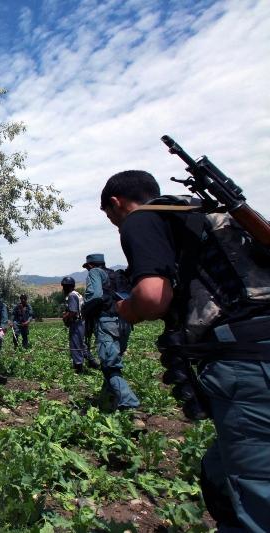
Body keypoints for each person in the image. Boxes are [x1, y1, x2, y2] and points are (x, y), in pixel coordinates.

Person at [101, 169, 270, 532]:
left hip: (246, 359)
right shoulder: (208, 212)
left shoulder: (141, 218)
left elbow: (152, 297)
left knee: (256, 501)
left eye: (111, 217)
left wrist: (128, 309)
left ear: (116, 203)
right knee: (218, 474)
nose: (116, 226)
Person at [82, 253, 140, 411]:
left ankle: (129, 403)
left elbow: (95, 296)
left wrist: (85, 311)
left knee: (110, 366)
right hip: (125, 324)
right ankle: (106, 403)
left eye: (87, 268)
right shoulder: (116, 276)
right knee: (111, 363)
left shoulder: (95, 273)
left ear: (90, 265)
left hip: (107, 323)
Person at [61, 276, 98, 374]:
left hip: (76, 323)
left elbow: (73, 312)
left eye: (64, 286)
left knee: (75, 345)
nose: (63, 289)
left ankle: (78, 367)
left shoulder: (71, 296)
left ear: (68, 287)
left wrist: (65, 316)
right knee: (81, 344)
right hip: (81, 322)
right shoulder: (77, 294)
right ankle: (93, 362)